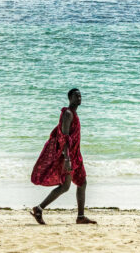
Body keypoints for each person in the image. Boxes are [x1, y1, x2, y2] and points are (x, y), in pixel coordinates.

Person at [29, 89, 96, 225]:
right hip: (69, 157)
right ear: (70, 98)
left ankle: (79, 216)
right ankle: (40, 209)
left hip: (76, 155)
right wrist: (67, 159)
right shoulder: (68, 114)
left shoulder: (73, 114)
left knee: (80, 183)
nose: (79, 98)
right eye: (76, 96)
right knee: (68, 185)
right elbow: (64, 137)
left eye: (80, 96)